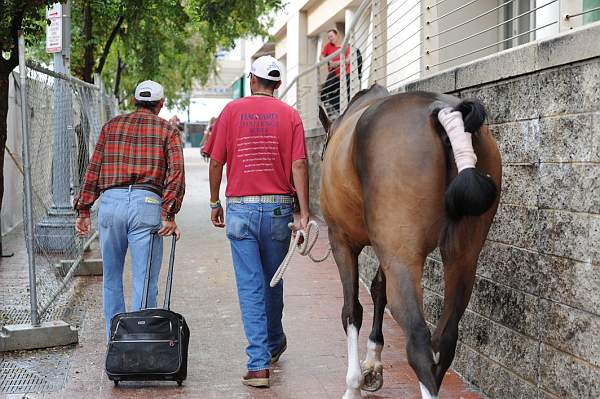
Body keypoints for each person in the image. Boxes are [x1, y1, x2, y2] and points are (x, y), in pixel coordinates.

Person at [207, 56, 310, 388]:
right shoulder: (290, 115)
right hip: (280, 209)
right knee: (273, 280)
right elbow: (299, 165)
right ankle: (275, 340)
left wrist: (213, 202)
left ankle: (258, 365)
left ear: (252, 79)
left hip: (240, 209)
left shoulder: (231, 112)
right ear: (277, 84)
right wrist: (305, 213)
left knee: (251, 286)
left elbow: (215, 162)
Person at [74, 80, 185, 337]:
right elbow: (176, 173)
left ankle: (116, 340)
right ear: (161, 104)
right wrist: (169, 213)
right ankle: (140, 341)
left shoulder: (111, 126)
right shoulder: (167, 130)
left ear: (135, 100)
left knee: (111, 277)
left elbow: (94, 168)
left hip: (111, 204)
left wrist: (83, 209)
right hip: (147, 205)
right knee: (144, 280)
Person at [320, 29, 352, 114]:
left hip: (345, 73)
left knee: (345, 94)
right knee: (326, 93)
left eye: (331, 36)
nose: (330, 38)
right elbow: (321, 57)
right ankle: (341, 111)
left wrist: (335, 63)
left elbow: (348, 60)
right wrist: (329, 61)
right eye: (328, 37)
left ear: (337, 35)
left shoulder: (346, 46)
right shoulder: (328, 46)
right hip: (334, 73)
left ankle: (345, 111)